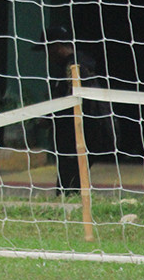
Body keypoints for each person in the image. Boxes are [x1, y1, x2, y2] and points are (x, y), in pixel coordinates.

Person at [34, 24, 114, 195]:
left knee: (69, 186)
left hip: (76, 136)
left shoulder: (74, 68)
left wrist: (50, 118)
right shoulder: (83, 64)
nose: (47, 56)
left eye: (47, 49)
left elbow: (73, 103)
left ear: (55, 47)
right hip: (83, 135)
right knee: (74, 182)